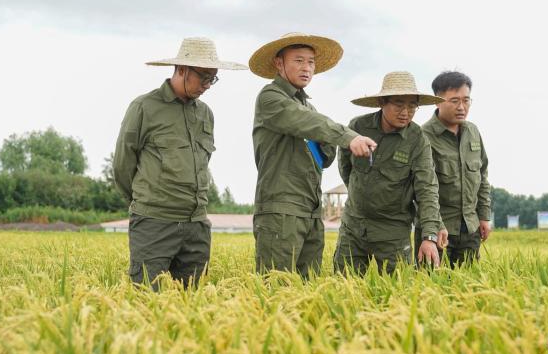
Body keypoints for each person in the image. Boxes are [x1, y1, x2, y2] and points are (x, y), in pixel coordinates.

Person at [113, 37, 247, 289]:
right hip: (154, 224)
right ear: (182, 69)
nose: (208, 85)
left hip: (196, 226)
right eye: (204, 77)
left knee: (192, 304)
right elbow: (123, 165)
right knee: (146, 299)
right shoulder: (144, 107)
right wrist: (146, 202)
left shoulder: (205, 113)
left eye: (213, 79)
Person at [249, 32, 377, 278]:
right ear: (279, 63)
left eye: (310, 62)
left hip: (311, 209)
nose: (306, 68)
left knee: (309, 289)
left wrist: (332, 138)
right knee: (277, 288)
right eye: (298, 60)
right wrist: (349, 137)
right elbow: (307, 122)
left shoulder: (309, 107)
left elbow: (324, 158)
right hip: (281, 210)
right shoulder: (271, 97)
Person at [333, 71, 448, 275]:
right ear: (382, 102)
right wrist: (361, 194)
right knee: (343, 288)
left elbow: (427, 189)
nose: (406, 112)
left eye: (412, 105)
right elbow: (346, 167)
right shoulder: (358, 127)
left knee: (398, 294)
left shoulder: (418, 141)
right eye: (398, 104)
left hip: (393, 231)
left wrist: (429, 236)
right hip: (354, 226)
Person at [414, 71, 491, 268]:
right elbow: (419, 190)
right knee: (431, 290)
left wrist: (483, 216)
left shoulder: (472, 132)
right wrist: (432, 228)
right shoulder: (423, 137)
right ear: (437, 102)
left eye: (466, 100)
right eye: (454, 101)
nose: (461, 107)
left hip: (470, 230)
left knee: (468, 290)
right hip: (438, 232)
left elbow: (482, 176)